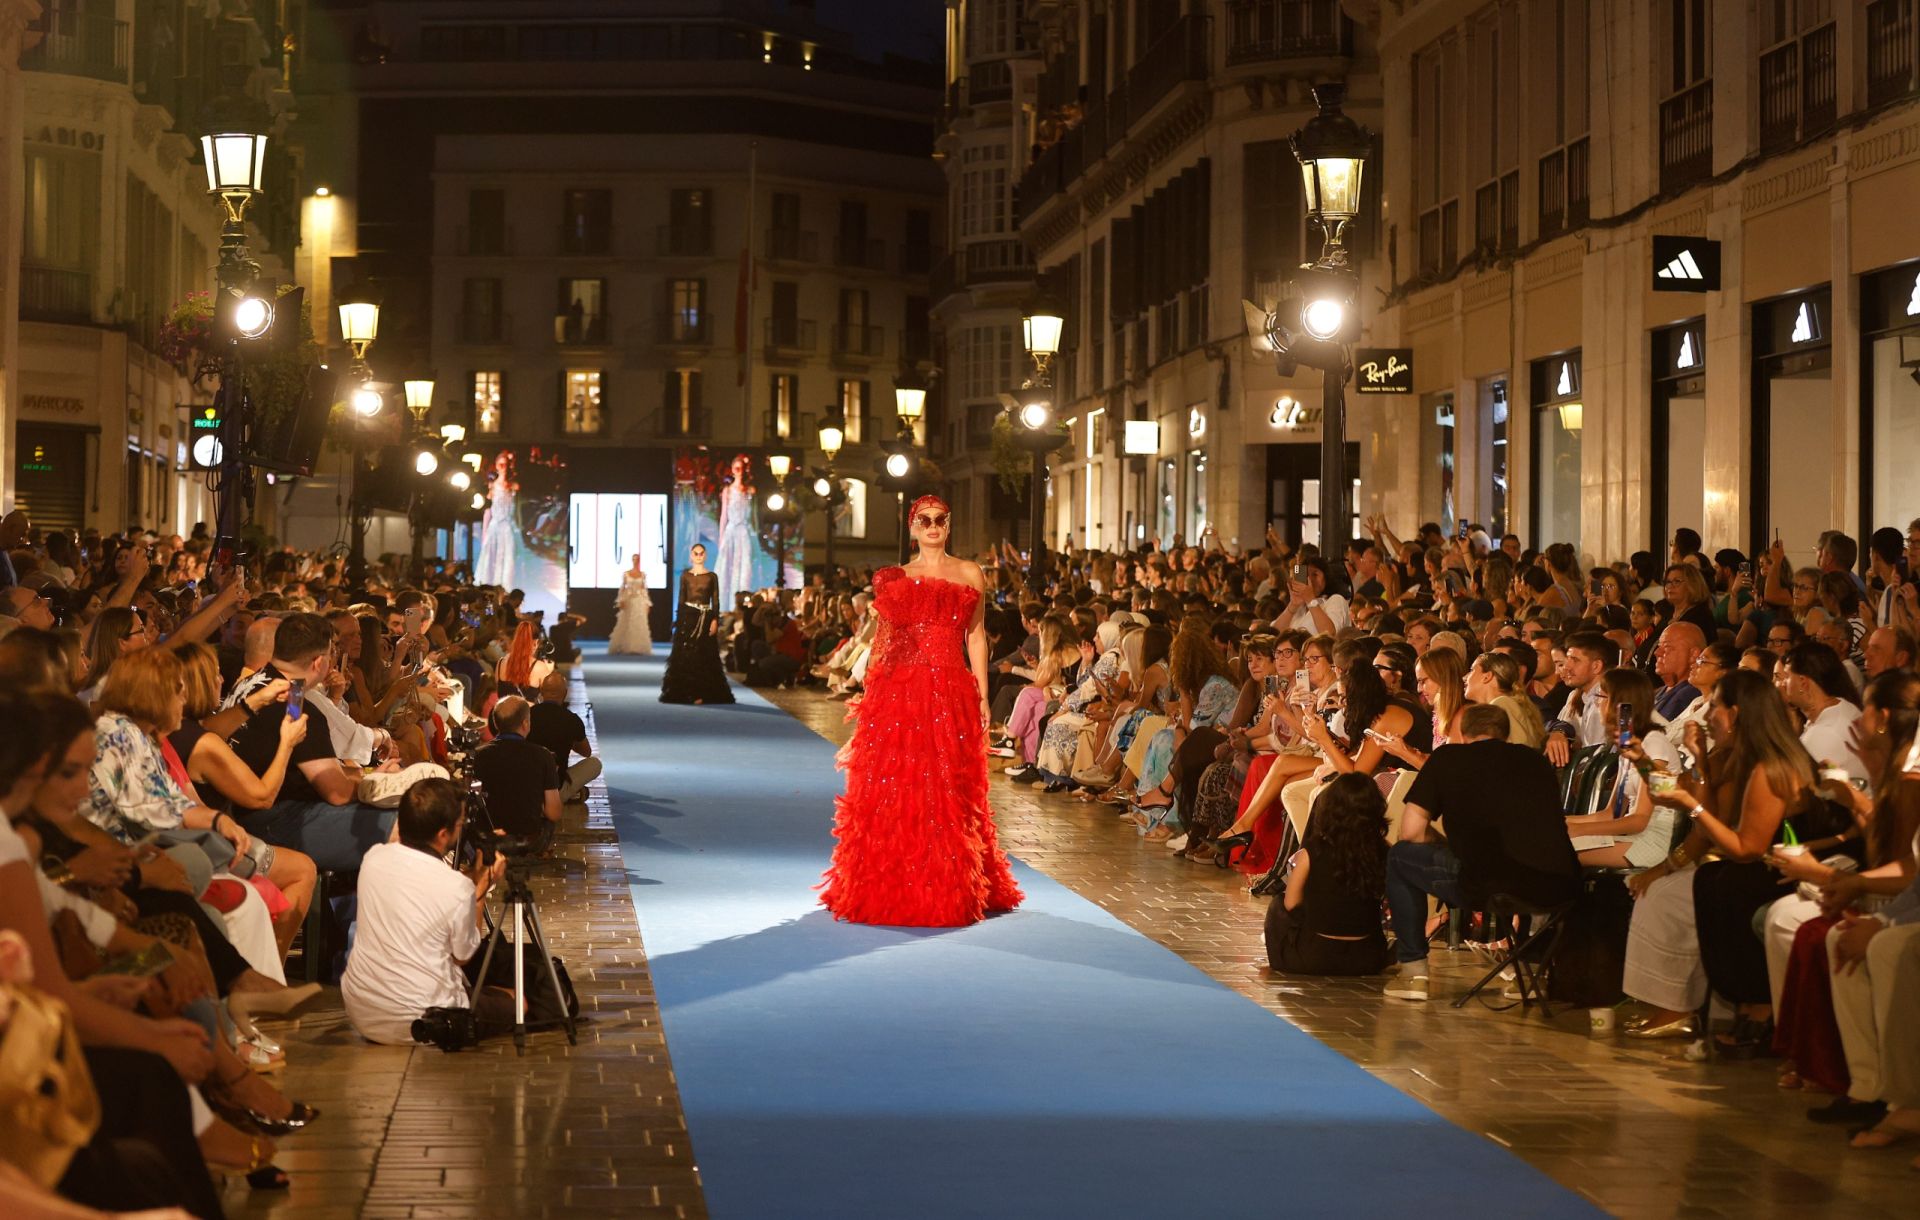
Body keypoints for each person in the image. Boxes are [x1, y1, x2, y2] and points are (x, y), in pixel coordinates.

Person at [819, 495, 1023, 926]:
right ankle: (894, 883)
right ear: (912, 528)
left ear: (949, 526)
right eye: (924, 520)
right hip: (901, 691)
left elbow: (976, 636)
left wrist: (983, 694)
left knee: (948, 786)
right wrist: (872, 693)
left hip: (951, 689)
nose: (932, 526)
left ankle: (948, 882)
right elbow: (885, 641)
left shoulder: (970, 573)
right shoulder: (894, 579)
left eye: (940, 519)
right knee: (901, 784)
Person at [1383, 704, 1584, 1002]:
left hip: (1486, 885)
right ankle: (1529, 973)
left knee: (1400, 857)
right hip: (1557, 886)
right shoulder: (1535, 761)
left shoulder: (1448, 758)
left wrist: (1442, 844)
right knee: (1527, 861)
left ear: (1463, 735)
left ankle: (1414, 973)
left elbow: (1410, 831)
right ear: (1504, 734)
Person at [340, 778, 509, 1045]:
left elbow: (421, 883)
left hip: (363, 1012)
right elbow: (463, 955)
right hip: (429, 1019)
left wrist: (471, 879)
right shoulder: (457, 887)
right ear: (443, 834)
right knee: (517, 999)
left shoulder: (373, 858)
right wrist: (480, 890)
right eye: (459, 824)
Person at [1263, 772, 1391, 976]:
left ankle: (1281, 957)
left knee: (1277, 905)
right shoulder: (1385, 852)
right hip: (1366, 957)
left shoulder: (1310, 853)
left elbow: (1290, 905)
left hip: (1315, 956)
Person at [659, 543, 734, 705]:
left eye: (701, 553)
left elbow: (716, 600)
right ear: (691, 556)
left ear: (705, 556)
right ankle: (686, 692)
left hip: (705, 618)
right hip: (688, 618)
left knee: (704, 654)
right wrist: (678, 622)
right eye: (696, 553)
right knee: (685, 655)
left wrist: (715, 620)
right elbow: (681, 599)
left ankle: (702, 693)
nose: (699, 556)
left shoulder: (711, 576)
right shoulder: (685, 576)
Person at [529, 672, 602, 803]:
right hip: (555, 785)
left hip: (529, 784)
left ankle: (571, 795)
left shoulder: (527, 715)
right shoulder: (572, 720)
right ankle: (569, 795)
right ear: (566, 693)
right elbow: (587, 752)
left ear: (541, 690)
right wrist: (569, 740)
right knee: (594, 764)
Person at [608, 553, 654, 655]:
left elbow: (644, 590)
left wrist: (647, 604)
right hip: (628, 601)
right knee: (626, 623)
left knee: (638, 624)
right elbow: (622, 588)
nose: (635, 561)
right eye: (634, 559)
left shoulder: (642, 575)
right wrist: (620, 600)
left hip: (639, 601)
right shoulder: (626, 574)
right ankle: (624, 645)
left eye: (637, 559)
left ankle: (637, 646)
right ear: (632, 560)